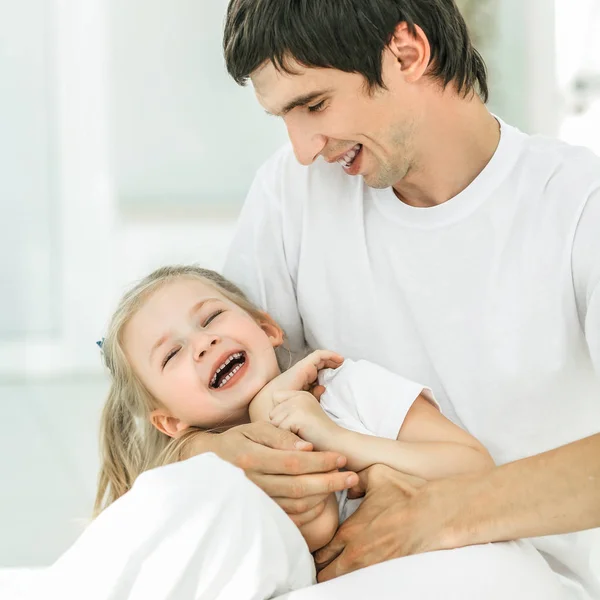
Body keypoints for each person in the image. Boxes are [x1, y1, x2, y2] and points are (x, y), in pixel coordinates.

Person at [175, 0, 600, 597]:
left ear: (407, 52)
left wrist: (439, 513)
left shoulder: (580, 206)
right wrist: (222, 451)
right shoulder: (293, 193)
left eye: (315, 104)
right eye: (284, 117)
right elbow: (201, 410)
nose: (303, 147)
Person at [34, 264, 564, 600]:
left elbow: (474, 468)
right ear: (170, 421)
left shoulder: (346, 388)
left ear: (267, 328)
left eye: (211, 317)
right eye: (172, 353)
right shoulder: (198, 480)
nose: (202, 343)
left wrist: (339, 440)